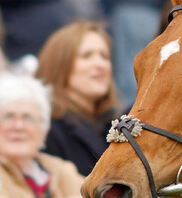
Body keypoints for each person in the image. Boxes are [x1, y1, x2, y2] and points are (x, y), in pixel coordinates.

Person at [34, 21, 122, 176]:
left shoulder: (114, 124)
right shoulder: (46, 128)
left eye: (104, 56)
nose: (100, 64)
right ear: (60, 65)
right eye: (86, 56)